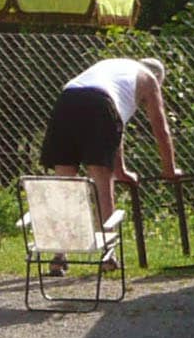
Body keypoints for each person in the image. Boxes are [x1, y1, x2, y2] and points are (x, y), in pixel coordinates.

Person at [38, 54, 178, 223]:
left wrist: (121, 171)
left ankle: (61, 247)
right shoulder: (149, 79)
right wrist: (169, 169)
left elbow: (116, 130)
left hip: (66, 99)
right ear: (158, 77)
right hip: (100, 104)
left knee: (65, 179)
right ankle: (107, 244)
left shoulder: (114, 66)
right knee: (101, 178)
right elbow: (160, 128)